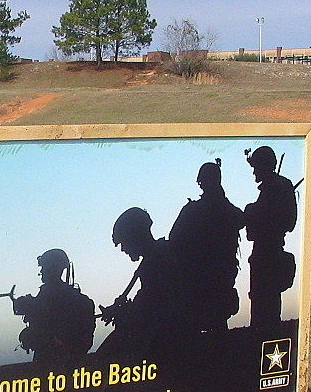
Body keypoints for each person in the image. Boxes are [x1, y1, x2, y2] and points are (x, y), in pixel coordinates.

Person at [97, 207, 183, 361]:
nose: (123, 249)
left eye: (124, 242)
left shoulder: (159, 260)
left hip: (164, 340)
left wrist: (123, 313)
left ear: (135, 236)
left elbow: (153, 309)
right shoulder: (154, 258)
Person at [169, 160, 245, 332]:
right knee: (217, 331)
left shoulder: (194, 211)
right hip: (214, 282)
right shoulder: (223, 209)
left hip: (202, 283)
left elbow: (174, 239)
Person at [243, 146, 297, 329]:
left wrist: (252, 211)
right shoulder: (280, 187)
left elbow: (285, 222)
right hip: (270, 254)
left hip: (267, 254)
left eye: (256, 167)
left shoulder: (275, 188)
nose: (254, 172)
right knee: (268, 304)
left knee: (264, 306)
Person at [11, 248, 96, 364]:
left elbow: (73, 339)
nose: (41, 271)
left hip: (56, 363)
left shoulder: (66, 300)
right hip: (57, 361)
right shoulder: (76, 299)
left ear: (53, 268)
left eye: (44, 267)